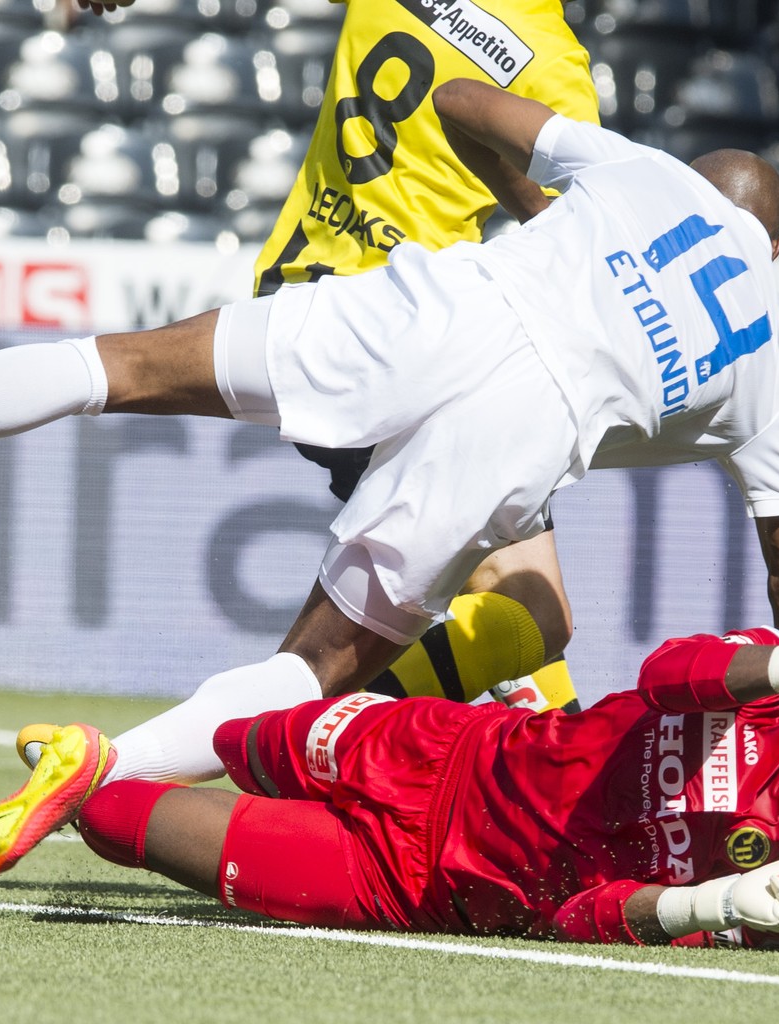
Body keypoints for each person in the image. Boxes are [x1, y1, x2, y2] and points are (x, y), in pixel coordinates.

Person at [0, 79, 779, 883]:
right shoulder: (772, 374)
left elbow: (456, 97)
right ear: (772, 255)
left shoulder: (637, 175)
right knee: (318, 665)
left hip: (435, 311)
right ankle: (103, 761)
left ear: (698, 187)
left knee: (115, 366)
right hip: (515, 432)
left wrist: (545, 211)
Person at [69, 0, 606, 716]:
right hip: (411, 336)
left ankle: (545, 778)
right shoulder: (555, 60)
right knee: (526, 616)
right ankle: (290, 746)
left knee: (515, 613)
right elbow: (583, 226)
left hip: (302, 295)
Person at [0, 626, 779, 947]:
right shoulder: (769, 683)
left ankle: (85, 779)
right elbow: (671, 671)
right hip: (438, 750)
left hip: (419, 887)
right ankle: (99, 752)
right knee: (237, 739)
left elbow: (582, 914)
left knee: (122, 822)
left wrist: (708, 905)